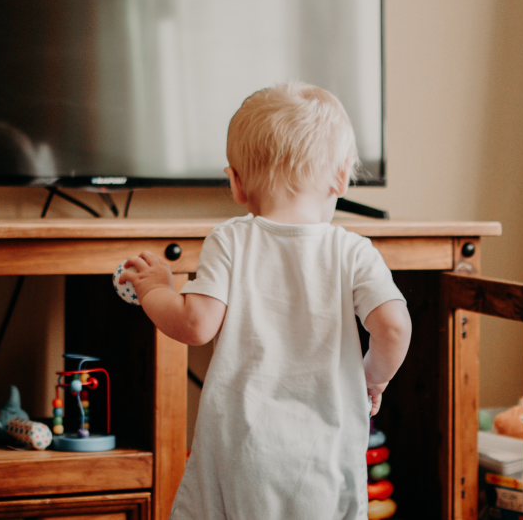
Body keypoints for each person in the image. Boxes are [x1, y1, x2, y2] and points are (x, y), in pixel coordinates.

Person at [118, 81, 412, 519]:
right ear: (340, 177)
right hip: (327, 456)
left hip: (241, 453)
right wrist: (372, 378)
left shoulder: (232, 239)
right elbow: (393, 327)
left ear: (236, 183)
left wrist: (156, 288)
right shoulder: (354, 250)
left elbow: (194, 325)